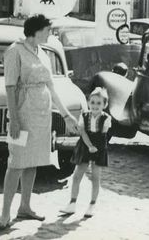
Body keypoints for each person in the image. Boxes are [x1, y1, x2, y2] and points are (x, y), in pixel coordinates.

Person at [0, 14, 79, 230]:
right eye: (47, 30)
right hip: (22, 114)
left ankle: (25, 206)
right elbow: (10, 87)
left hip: (41, 116)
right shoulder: (15, 51)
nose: (50, 34)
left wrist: (66, 115)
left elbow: (51, 86)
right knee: (15, 163)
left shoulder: (42, 52)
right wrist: (14, 119)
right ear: (37, 30)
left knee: (32, 161)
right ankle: (5, 214)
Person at [60, 87, 112, 218]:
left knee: (95, 177)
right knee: (77, 175)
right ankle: (72, 203)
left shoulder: (106, 119)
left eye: (99, 103)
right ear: (88, 102)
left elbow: (103, 136)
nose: (95, 106)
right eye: (92, 102)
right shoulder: (84, 116)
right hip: (85, 145)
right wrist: (89, 146)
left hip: (99, 147)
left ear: (104, 105)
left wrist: (95, 149)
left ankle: (92, 205)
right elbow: (82, 132)